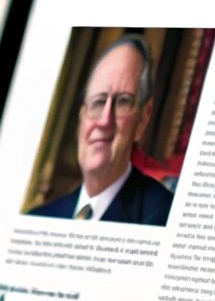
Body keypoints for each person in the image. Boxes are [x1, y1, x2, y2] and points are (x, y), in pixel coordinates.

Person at [28, 35, 174, 226]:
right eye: (98, 102)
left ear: (142, 120)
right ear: (82, 116)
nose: (104, 121)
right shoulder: (38, 219)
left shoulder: (162, 215)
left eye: (123, 101)